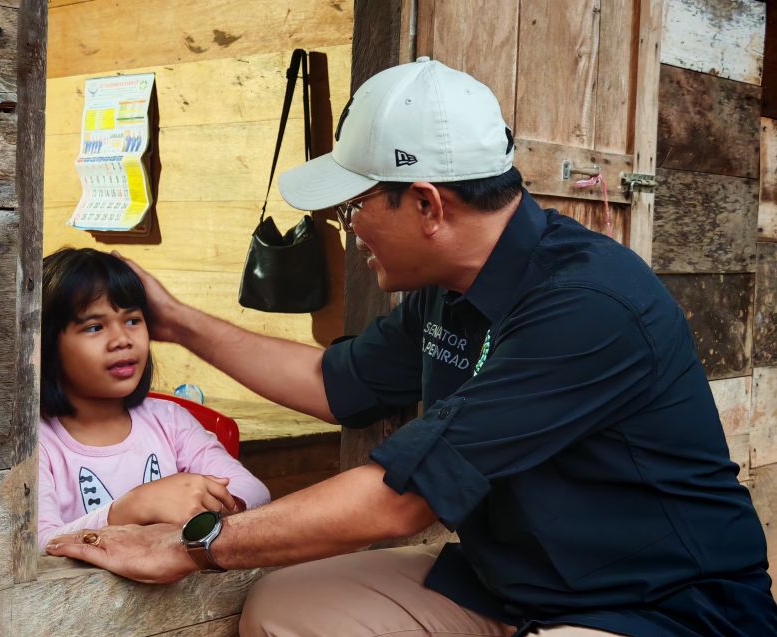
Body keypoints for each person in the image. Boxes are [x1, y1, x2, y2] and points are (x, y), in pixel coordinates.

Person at [46, 59, 777, 636]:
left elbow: (400, 499)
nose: (348, 227)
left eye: (353, 206)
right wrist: (177, 322)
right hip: (509, 584)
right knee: (287, 609)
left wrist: (193, 541)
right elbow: (336, 383)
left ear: (427, 204)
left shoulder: (587, 304)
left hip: (654, 608)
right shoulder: (450, 284)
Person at [38, 247, 269, 550]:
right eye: (94, 327)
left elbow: (254, 491)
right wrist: (128, 510)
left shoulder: (169, 420)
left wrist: (208, 504)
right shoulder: (36, 443)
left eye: (133, 320)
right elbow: (39, 544)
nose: (123, 339)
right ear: (45, 343)